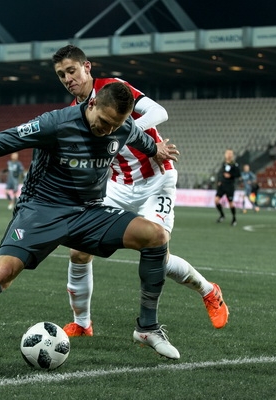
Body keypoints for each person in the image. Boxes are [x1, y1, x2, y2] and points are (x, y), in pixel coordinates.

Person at [0, 82, 181, 368]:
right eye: (103, 122)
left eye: (115, 125)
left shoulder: (122, 127)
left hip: (88, 214)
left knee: (155, 236)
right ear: (92, 105)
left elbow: (140, 139)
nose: (107, 130)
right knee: (3, 273)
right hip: (41, 211)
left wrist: (157, 149)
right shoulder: (54, 123)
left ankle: (147, 328)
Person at [52, 45, 229, 344]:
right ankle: (81, 323)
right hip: (117, 186)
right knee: (78, 250)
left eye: (72, 70)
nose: (68, 78)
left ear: (87, 67)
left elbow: (160, 112)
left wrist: (125, 131)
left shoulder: (113, 89)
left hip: (156, 180)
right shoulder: (73, 112)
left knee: (158, 254)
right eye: (61, 75)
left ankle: (209, 292)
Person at [215, 148, 241, 226]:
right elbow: (221, 173)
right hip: (222, 185)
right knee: (216, 201)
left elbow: (238, 175)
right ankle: (222, 215)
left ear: (232, 155)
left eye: (230, 153)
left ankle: (234, 218)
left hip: (229, 186)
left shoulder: (235, 165)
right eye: (227, 153)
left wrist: (231, 175)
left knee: (231, 203)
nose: (229, 155)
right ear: (225, 154)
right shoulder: (223, 164)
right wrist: (219, 181)